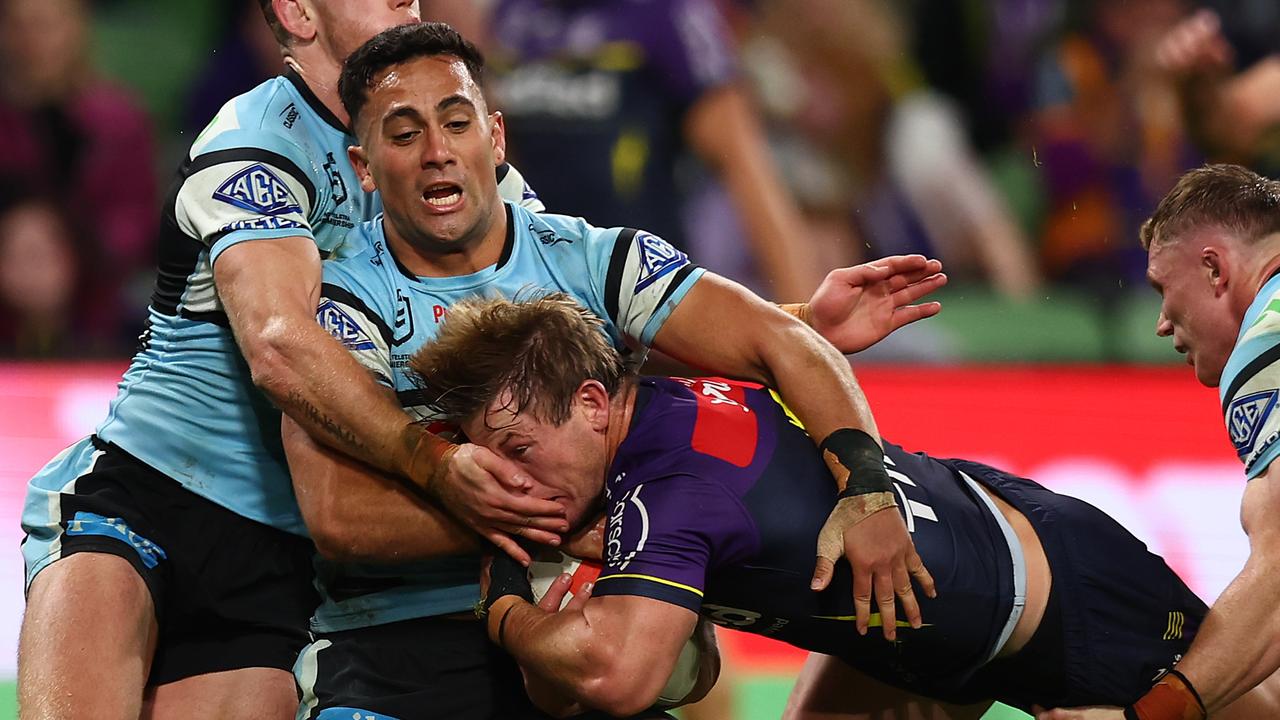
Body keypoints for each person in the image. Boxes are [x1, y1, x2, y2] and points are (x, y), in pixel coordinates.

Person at [285, 22, 948, 719]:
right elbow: (338, 516)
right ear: (364, 166)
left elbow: (779, 342)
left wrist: (867, 485)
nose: (437, 153)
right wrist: (554, 517)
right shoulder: (339, 306)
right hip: (399, 646)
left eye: (457, 122)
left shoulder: (593, 261)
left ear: (497, 137)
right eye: (404, 134)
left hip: (586, 632)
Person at [16, 3, 560, 719]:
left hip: (282, 561)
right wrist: (430, 463)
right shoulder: (255, 143)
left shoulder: (460, 170)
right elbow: (278, 343)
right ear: (298, 12)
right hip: (145, 498)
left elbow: (564, 303)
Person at [407, 291, 1280, 720]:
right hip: (944, 595)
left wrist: (506, 617)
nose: (513, 480)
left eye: (519, 451)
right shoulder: (666, 402)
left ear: (595, 405)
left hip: (1061, 604)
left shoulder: (663, 497)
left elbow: (625, 676)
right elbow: (788, 342)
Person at [1038, 165, 1280, 719]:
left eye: (1162, 289)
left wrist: (1144, 716)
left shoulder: (1267, 344)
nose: (1162, 324)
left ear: (1214, 268)